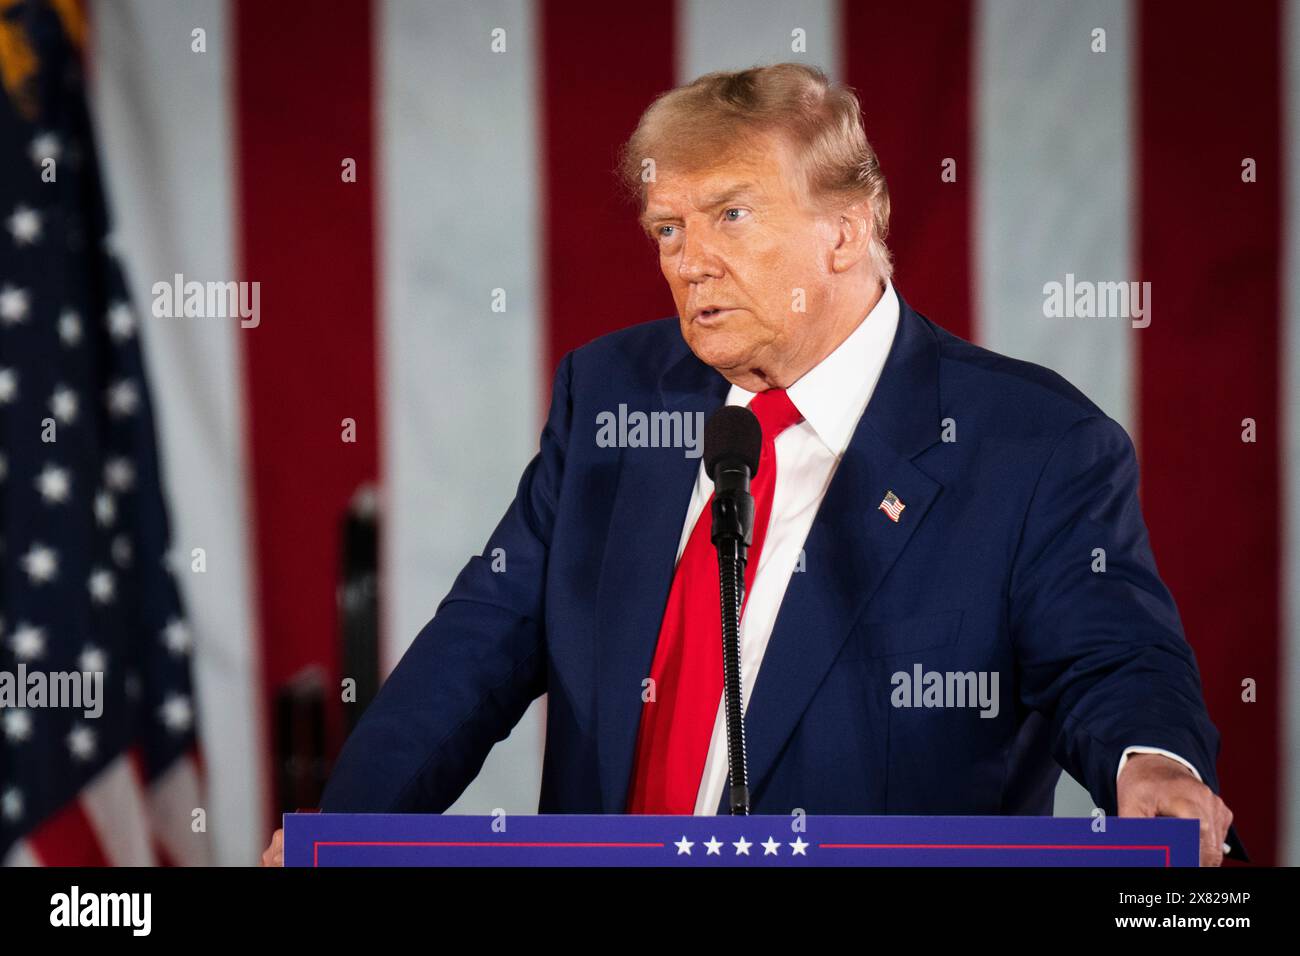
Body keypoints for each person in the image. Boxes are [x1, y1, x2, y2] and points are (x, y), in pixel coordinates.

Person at [263, 63, 1236, 867]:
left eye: (728, 215)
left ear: (846, 227)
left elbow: (1111, 655)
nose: (688, 261)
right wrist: (341, 833)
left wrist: (1149, 764)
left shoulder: (1030, 447)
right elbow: (476, 643)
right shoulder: (612, 397)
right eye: (667, 229)